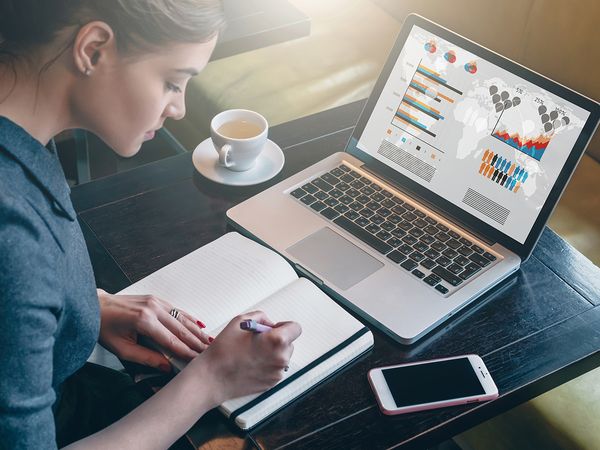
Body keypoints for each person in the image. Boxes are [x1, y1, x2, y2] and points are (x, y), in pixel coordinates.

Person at [0, 1, 302, 448]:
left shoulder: (21, 134)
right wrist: (211, 380)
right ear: (94, 48)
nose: (179, 109)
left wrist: (77, 307)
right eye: (172, 83)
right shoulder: (15, 237)